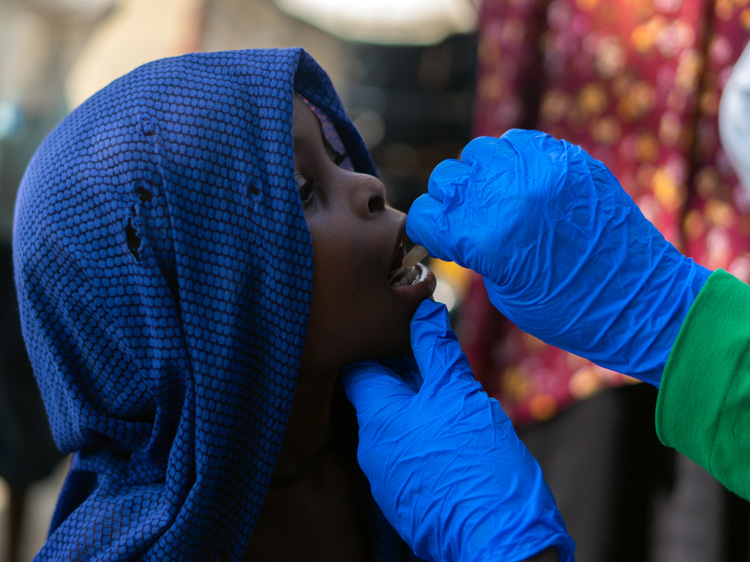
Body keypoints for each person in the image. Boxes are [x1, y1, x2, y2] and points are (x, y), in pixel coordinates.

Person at [13, 49, 572, 561]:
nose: (368, 186)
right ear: (198, 309)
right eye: (303, 191)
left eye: (337, 155)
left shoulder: (410, 451)